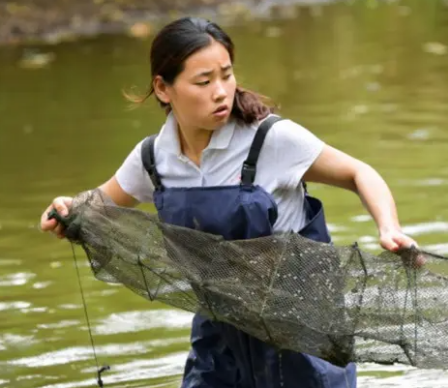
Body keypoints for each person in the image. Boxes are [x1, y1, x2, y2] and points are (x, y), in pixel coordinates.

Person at [39, 17, 418, 388]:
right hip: (219, 331)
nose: (221, 91)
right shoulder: (154, 159)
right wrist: (68, 209)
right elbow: (99, 204)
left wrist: (389, 227)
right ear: (163, 88)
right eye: (203, 81)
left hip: (300, 330)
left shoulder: (272, 139)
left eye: (226, 74)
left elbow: (358, 172)